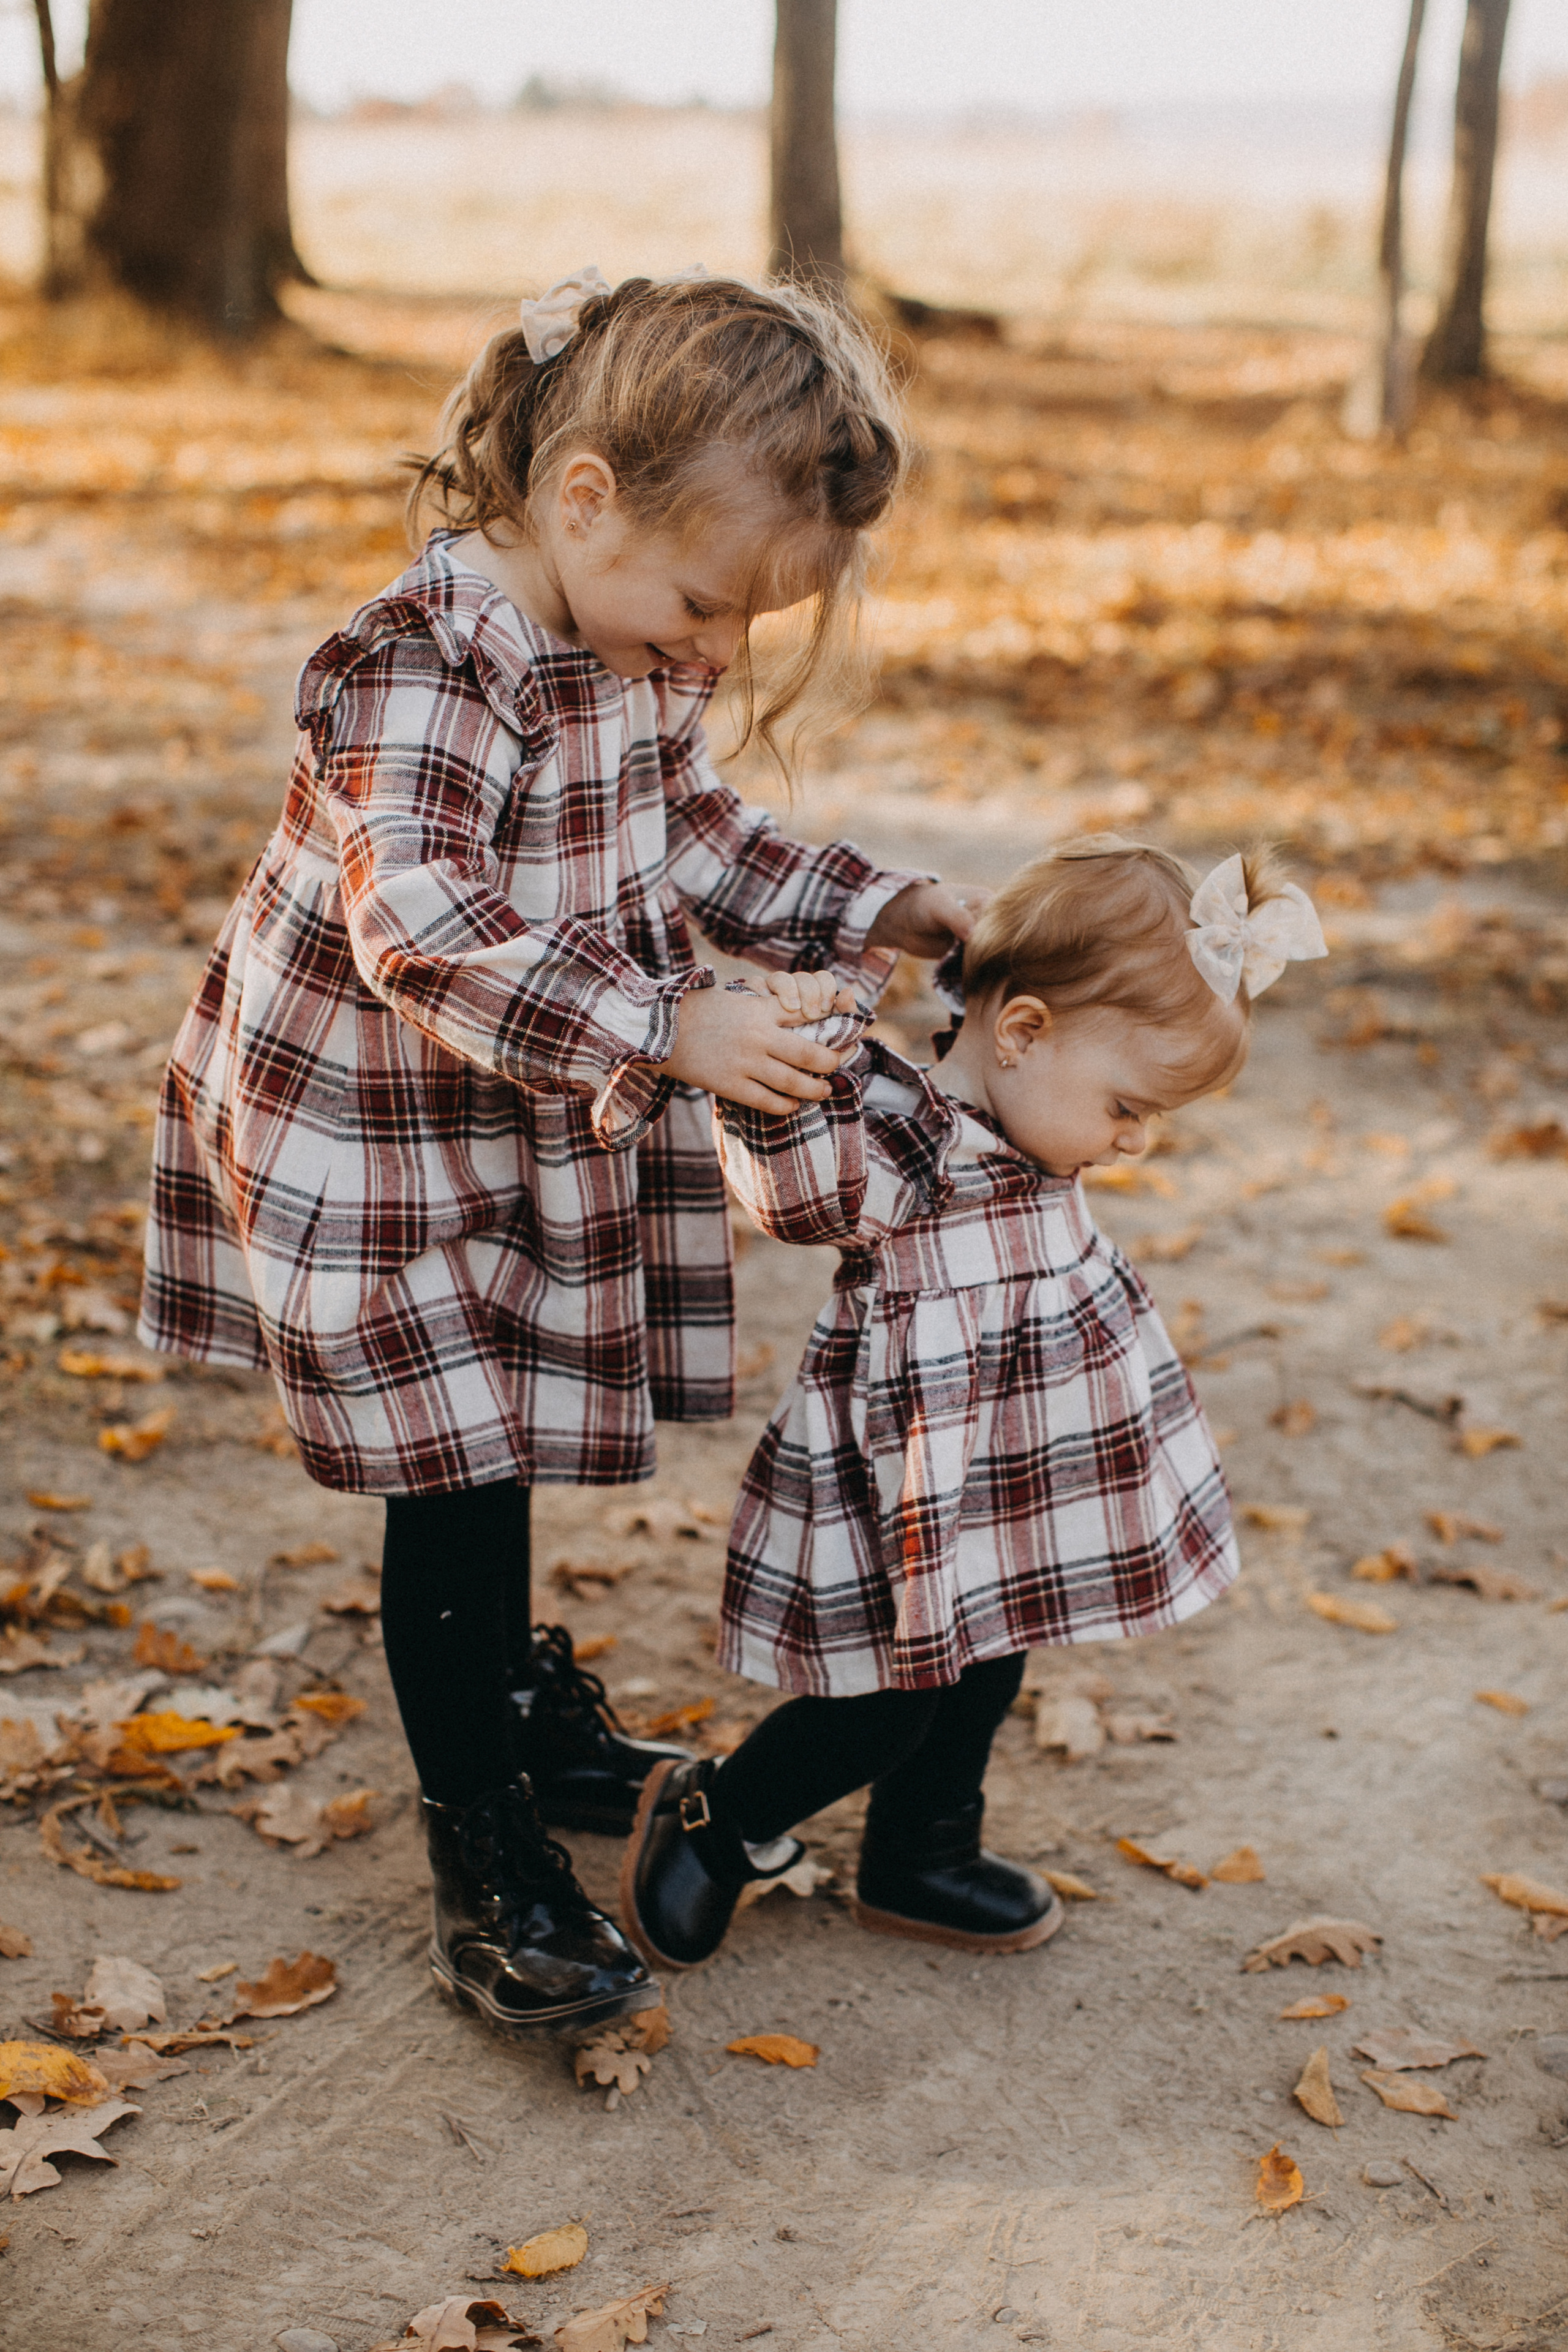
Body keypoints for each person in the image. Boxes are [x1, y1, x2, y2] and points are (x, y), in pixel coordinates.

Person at [137, 267, 990, 2041]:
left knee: (501, 1424)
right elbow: (424, 929)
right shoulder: (420, 665)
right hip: (363, 1130)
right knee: (451, 1481)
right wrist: (669, 1031)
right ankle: (487, 1854)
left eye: (744, 626)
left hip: (511, 1115)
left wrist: (880, 902)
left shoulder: (621, 649)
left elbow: (687, 832)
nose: (714, 655)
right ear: (583, 494)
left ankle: (518, 1707)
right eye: (704, 603)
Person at [620, 838, 1327, 1968]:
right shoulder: (901, 1132)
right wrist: (789, 1060)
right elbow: (800, 1198)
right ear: (1026, 1031)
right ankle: (720, 1816)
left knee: (1000, 1648)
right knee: (892, 1694)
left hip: (1024, 1452)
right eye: (1129, 1107)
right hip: (921, 1455)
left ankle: (924, 1849)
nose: (1135, 1141)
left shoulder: (1038, 1114)